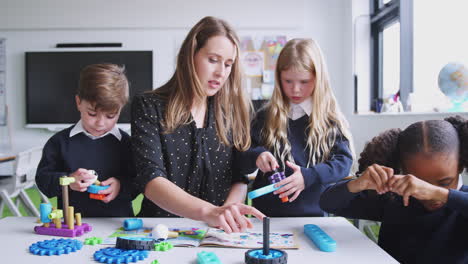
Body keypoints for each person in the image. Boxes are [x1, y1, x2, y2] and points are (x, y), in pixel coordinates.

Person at [131, 16, 264, 233]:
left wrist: (228, 211)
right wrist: (209, 212)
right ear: (190, 56)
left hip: (219, 232)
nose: (221, 73)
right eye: (213, 60)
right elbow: (151, 180)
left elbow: (239, 176)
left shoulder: (230, 112)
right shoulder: (149, 105)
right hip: (161, 231)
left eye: (228, 64)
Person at [319, 116, 468, 264]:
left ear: (460, 166)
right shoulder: (394, 199)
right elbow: (328, 203)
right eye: (419, 183)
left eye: (444, 182)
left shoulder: (461, 203)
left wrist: (438, 193)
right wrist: (357, 184)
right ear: (403, 169)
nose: (428, 194)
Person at [241, 38, 354, 217]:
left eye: (304, 82)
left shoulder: (329, 119)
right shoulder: (265, 116)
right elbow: (243, 155)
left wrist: (310, 176)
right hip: (266, 217)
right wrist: (257, 156)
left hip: (315, 217)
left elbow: (343, 163)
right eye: (288, 81)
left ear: (318, 79)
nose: (295, 90)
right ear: (278, 78)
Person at [36, 63, 137, 217]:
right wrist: (68, 181)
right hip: (71, 227)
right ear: (78, 102)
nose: (100, 123)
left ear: (121, 109)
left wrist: (120, 186)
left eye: (110, 116)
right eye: (92, 113)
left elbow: (140, 182)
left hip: (117, 224)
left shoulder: (127, 144)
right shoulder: (59, 142)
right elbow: (43, 181)